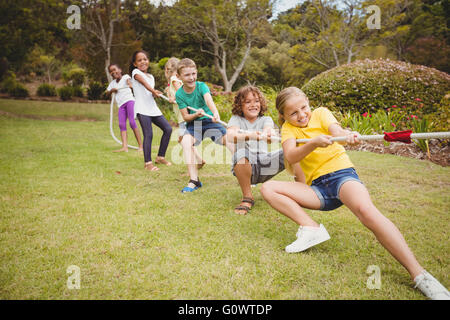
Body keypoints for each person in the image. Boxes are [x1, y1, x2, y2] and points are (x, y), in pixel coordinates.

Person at [260, 86, 449, 300]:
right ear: (283, 116)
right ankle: (311, 228)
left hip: (341, 176)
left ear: (308, 104)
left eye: (304, 108)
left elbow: (336, 131)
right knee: (268, 188)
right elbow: (291, 156)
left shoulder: (321, 113)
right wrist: (313, 143)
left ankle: (420, 276)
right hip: (317, 189)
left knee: (367, 213)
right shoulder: (288, 129)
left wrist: (345, 136)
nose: (302, 115)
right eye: (293, 113)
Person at [175, 58, 234, 193]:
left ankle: (245, 173)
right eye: (187, 75)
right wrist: (196, 115)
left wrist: (215, 113)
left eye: (193, 74)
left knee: (231, 141)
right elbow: (185, 117)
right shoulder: (179, 94)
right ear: (179, 77)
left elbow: (209, 100)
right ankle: (194, 180)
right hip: (194, 124)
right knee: (185, 142)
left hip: (209, 122)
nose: (191, 78)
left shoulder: (201, 86)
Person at [227, 86, 284, 215]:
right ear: (240, 105)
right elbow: (230, 136)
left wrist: (267, 134)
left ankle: (301, 189)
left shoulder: (266, 120)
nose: (253, 105)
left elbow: (269, 132)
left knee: (289, 151)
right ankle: (247, 198)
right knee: (240, 153)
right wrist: (250, 135)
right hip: (245, 168)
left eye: (256, 101)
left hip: (265, 166)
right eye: (248, 102)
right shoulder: (236, 119)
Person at [129, 50, 173, 171]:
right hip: (142, 109)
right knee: (149, 134)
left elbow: (149, 92)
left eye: (145, 59)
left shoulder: (151, 77)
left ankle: (160, 157)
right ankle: (148, 163)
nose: (143, 61)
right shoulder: (135, 72)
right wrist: (153, 90)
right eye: (139, 60)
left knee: (168, 129)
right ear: (135, 63)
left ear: (148, 61)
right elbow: (143, 83)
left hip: (152, 108)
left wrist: (155, 93)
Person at [164, 57, 205, 169]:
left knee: (184, 141)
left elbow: (181, 94)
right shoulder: (174, 82)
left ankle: (195, 164)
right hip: (182, 116)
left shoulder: (174, 79)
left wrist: (175, 98)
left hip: (184, 116)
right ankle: (199, 159)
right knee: (183, 140)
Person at [106, 63, 143, 153]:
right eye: (111, 71)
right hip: (121, 105)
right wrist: (111, 90)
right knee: (121, 125)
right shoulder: (112, 84)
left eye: (115, 69)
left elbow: (129, 83)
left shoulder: (126, 77)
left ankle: (141, 146)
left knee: (132, 122)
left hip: (129, 101)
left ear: (120, 70)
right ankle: (124, 147)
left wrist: (130, 85)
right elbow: (106, 93)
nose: (113, 72)